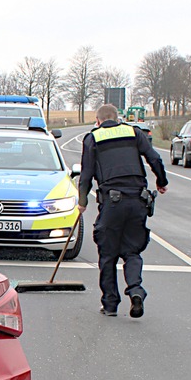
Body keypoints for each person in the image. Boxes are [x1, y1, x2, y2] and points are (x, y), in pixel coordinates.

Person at [77, 103, 168, 318]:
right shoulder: (134, 132)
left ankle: (110, 304)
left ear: (97, 121)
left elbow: (86, 174)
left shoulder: (93, 138)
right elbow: (154, 158)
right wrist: (161, 181)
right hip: (138, 200)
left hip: (112, 202)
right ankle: (136, 289)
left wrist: (83, 202)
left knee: (108, 254)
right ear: (118, 119)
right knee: (132, 251)